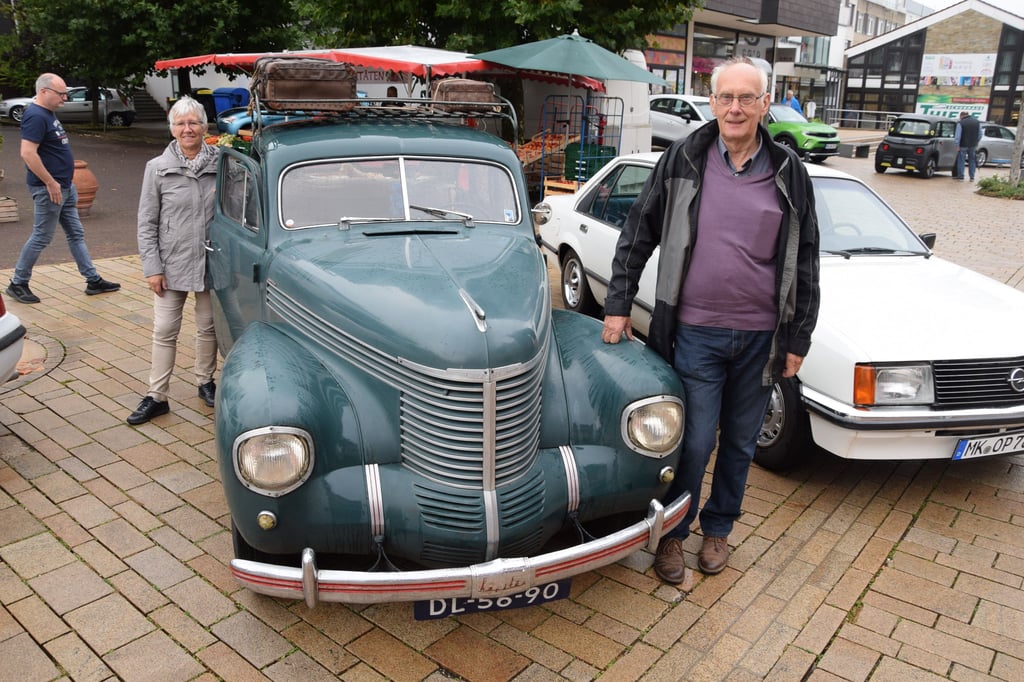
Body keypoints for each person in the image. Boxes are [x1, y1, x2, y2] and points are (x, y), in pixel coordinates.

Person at [602, 56, 820, 586]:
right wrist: (616, 303)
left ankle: (719, 527)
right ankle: (675, 533)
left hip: (760, 337)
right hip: (694, 332)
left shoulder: (790, 172)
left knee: (741, 442)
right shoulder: (683, 159)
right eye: (726, 97)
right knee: (695, 441)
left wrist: (798, 336)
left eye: (748, 98)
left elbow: (807, 256)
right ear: (713, 100)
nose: (736, 108)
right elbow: (638, 232)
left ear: (766, 104)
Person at [127, 97, 220, 425]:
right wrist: (152, 267)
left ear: (204, 127)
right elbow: (146, 222)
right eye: (180, 124)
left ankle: (205, 381)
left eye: (193, 122)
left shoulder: (221, 163)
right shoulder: (157, 168)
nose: (187, 129)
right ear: (172, 129)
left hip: (210, 264)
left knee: (208, 328)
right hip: (170, 265)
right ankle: (156, 395)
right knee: (165, 329)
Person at [6, 74, 121, 304]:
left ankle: (92, 280)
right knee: (42, 236)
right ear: (44, 92)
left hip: (65, 187)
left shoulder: (48, 114)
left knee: (75, 233)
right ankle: (18, 283)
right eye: (61, 94)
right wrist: (50, 182)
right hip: (50, 190)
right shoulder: (36, 116)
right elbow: (27, 153)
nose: (65, 97)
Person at [954, 111, 981, 182]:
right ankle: (972, 177)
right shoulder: (977, 122)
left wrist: (957, 145)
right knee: (972, 160)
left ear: (961, 116)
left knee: (961, 160)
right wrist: (976, 141)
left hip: (963, 144)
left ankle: (960, 176)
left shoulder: (961, 123)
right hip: (973, 145)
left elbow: (958, 135)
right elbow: (980, 134)